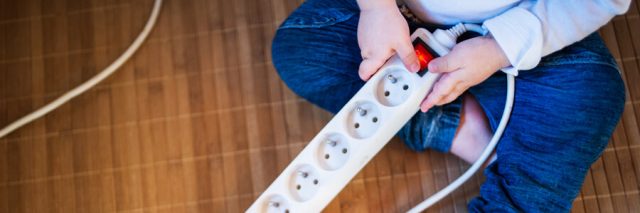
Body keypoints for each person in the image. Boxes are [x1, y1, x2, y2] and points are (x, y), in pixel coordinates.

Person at [271, 0, 631, 211]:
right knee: (301, 49)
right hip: (397, 22)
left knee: (589, 94)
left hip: (523, 35)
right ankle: (467, 132)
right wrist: (375, 8)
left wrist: (499, 48)